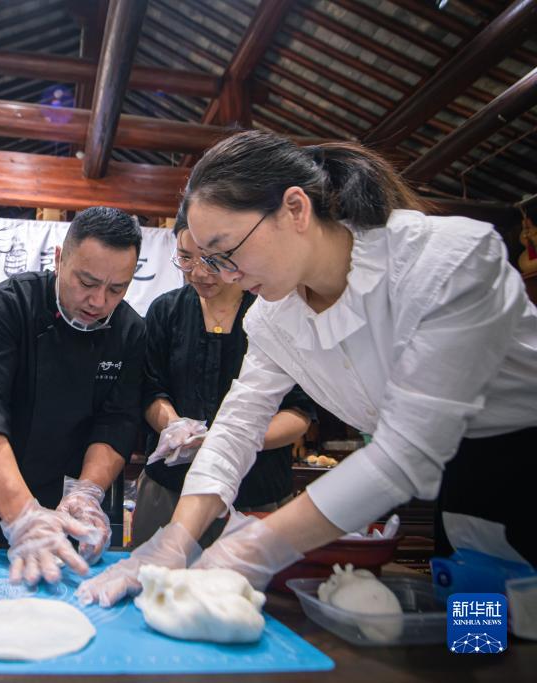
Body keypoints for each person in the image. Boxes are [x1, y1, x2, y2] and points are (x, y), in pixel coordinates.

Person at [77, 130, 537, 607]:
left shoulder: (447, 259)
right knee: (478, 621)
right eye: (209, 260)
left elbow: (406, 453)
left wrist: (248, 549)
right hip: (459, 477)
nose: (224, 275)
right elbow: (236, 429)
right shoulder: (276, 315)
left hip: (522, 456)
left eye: (227, 252)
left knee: (525, 628)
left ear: (295, 209)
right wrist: (177, 539)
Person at [0, 206, 147, 587]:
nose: (99, 302)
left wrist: (88, 492)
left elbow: (117, 423)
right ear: (60, 259)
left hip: (71, 509)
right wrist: (24, 517)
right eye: (87, 282)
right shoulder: (9, 305)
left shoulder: (130, 331)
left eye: (116, 289)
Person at [133, 209, 316, 548]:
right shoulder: (165, 311)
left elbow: (298, 414)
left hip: (254, 495)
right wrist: (175, 426)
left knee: (244, 595)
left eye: (213, 260)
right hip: (169, 490)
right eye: (186, 258)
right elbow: (149, 388)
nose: (199, 273)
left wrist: (223, 439)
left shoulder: (271, 314)